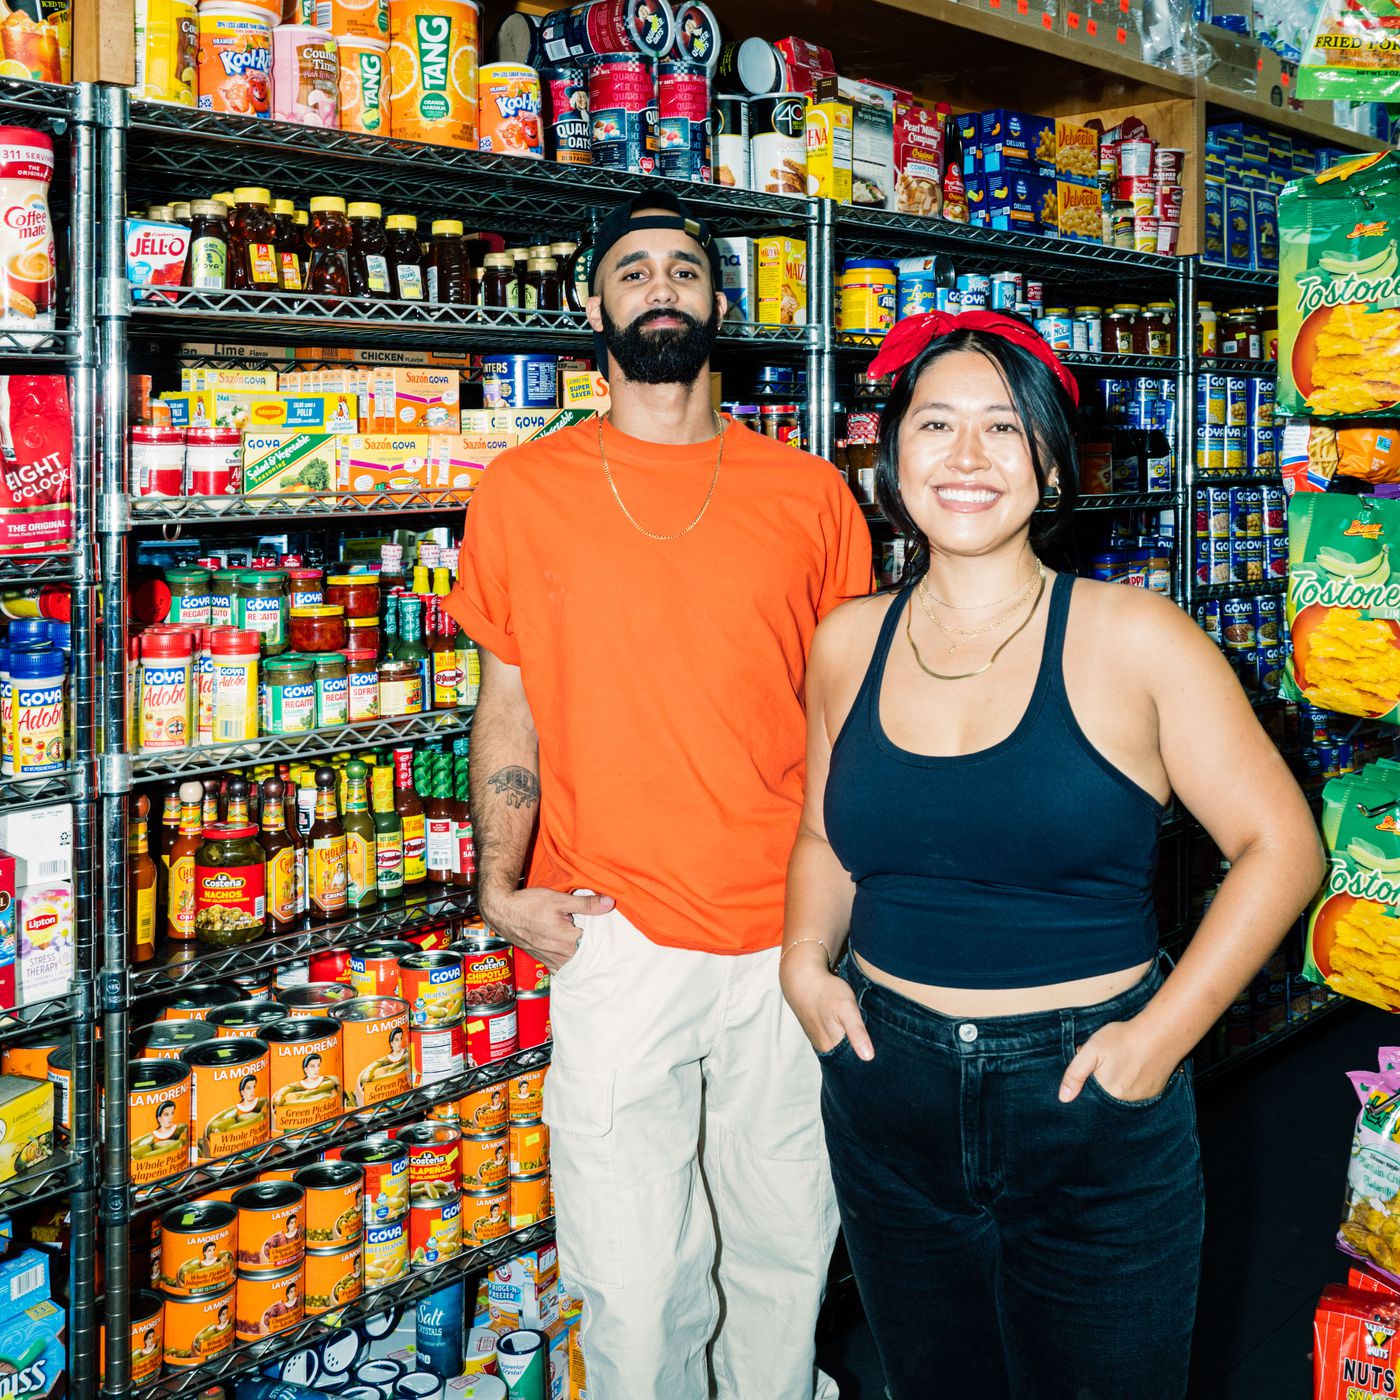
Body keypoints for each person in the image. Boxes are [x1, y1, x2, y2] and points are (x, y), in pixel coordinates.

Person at [780, 310, 1326, 1400]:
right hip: (887, 1090)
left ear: (1052, 466)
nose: (966, 455)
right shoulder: (847, 640)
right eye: (935, 423)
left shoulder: (1137, 636)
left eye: (1001, 426)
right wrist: (801, 959)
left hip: (1086, 1099)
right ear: (891, 457)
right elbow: (821, 832)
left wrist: (1155, 1042)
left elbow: (1281, 847)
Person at [447, 187, 871, 1400]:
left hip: (789, 931)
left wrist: (853, 899)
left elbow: (850, 714)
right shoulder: (522, 490)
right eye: (631, 271)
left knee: (784, 1253)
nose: (660, 287)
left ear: (718, 302)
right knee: (632, 1286)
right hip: (616, 929)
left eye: (683, 268)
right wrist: (498, 885)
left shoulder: (808, 493)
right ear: (594, 310)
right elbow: (507, 705)